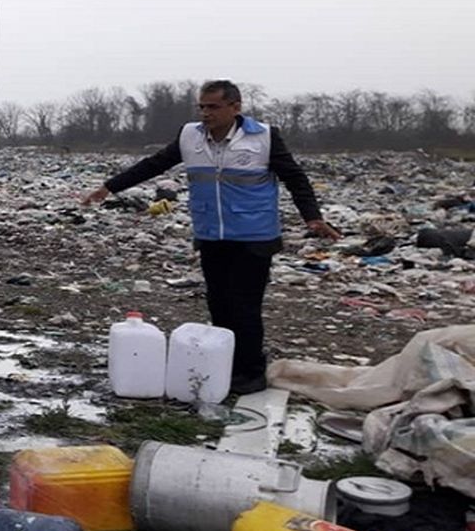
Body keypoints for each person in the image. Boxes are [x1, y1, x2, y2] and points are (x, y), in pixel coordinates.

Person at [82, 80, 341, 394]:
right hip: (211, 235)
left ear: (235, 107)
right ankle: (224, 365)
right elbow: (154, 165)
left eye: (213, 107)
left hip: (254, 236)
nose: (206, 113)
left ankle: (250, 374)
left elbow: (295, 179)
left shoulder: (263, 138)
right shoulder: (190, 136)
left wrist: (312, 217)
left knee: (244, 306)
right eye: (202, 107)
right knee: (219, 304)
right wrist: (110, 186)